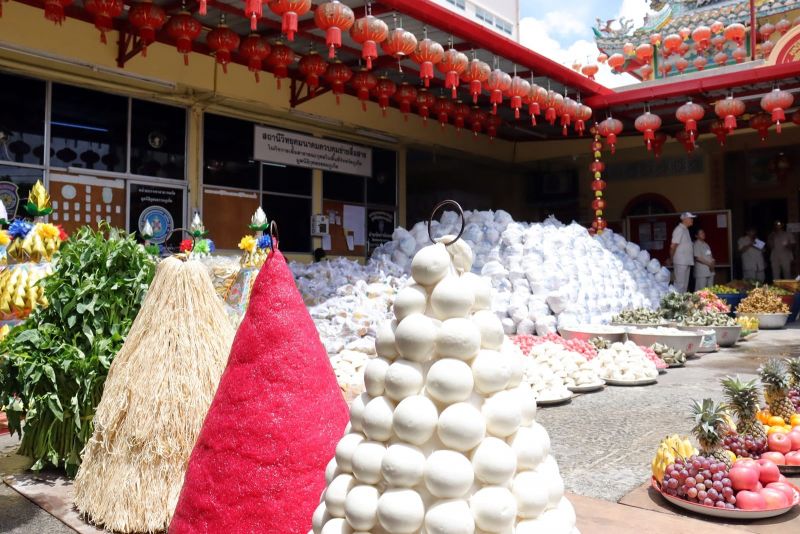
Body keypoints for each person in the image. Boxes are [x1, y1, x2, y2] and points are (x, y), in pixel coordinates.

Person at [670, 212, 696, 293]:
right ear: (684, 219)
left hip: (686, 261)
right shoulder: (679, 229)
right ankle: (675, 304)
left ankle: (682, 304)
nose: (692, 220)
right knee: (679, 285)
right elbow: (673, 246)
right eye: (690, 218)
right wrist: (671, 259)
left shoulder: (685, 230)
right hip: (680, 262)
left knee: (684, 285)